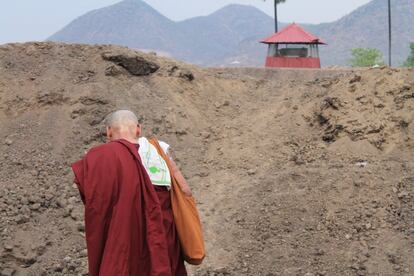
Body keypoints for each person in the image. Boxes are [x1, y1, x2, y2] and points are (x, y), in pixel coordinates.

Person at [71, 110, 187, 276]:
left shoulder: (98, 157)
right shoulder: (159, 153)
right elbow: (186, 193)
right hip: (161, 246)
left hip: (122, 246)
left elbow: (95, 204)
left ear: (108, 131)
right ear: (138, 129)